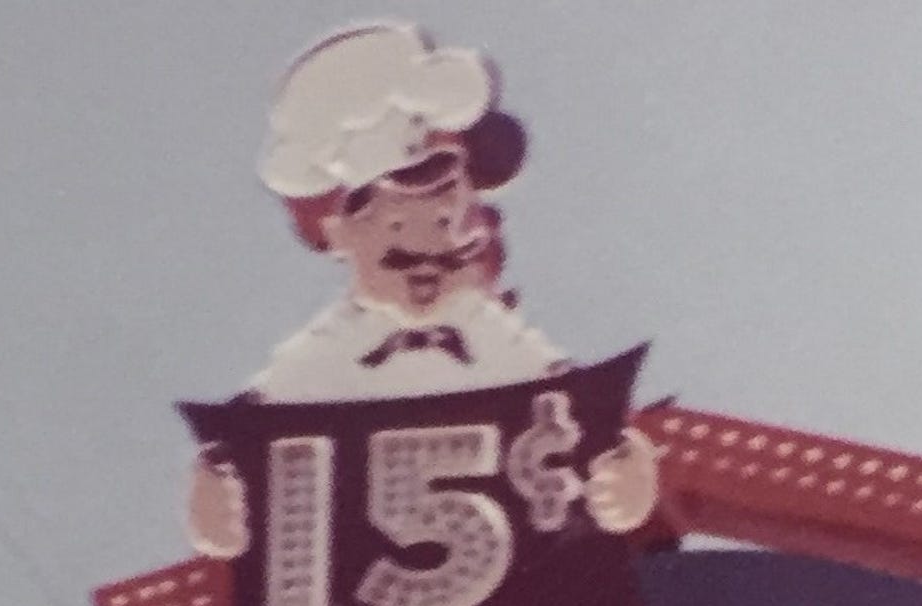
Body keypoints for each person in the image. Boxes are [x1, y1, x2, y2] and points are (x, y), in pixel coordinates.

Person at [187, 23, 659, 557]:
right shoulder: (335, 351)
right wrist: (216, 489)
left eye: (446, 218)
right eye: (395, 233)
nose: (430, 248)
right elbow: (242, 438)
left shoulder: (490, 336)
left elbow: (587, 418)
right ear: (341, 236)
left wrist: (629, 467)